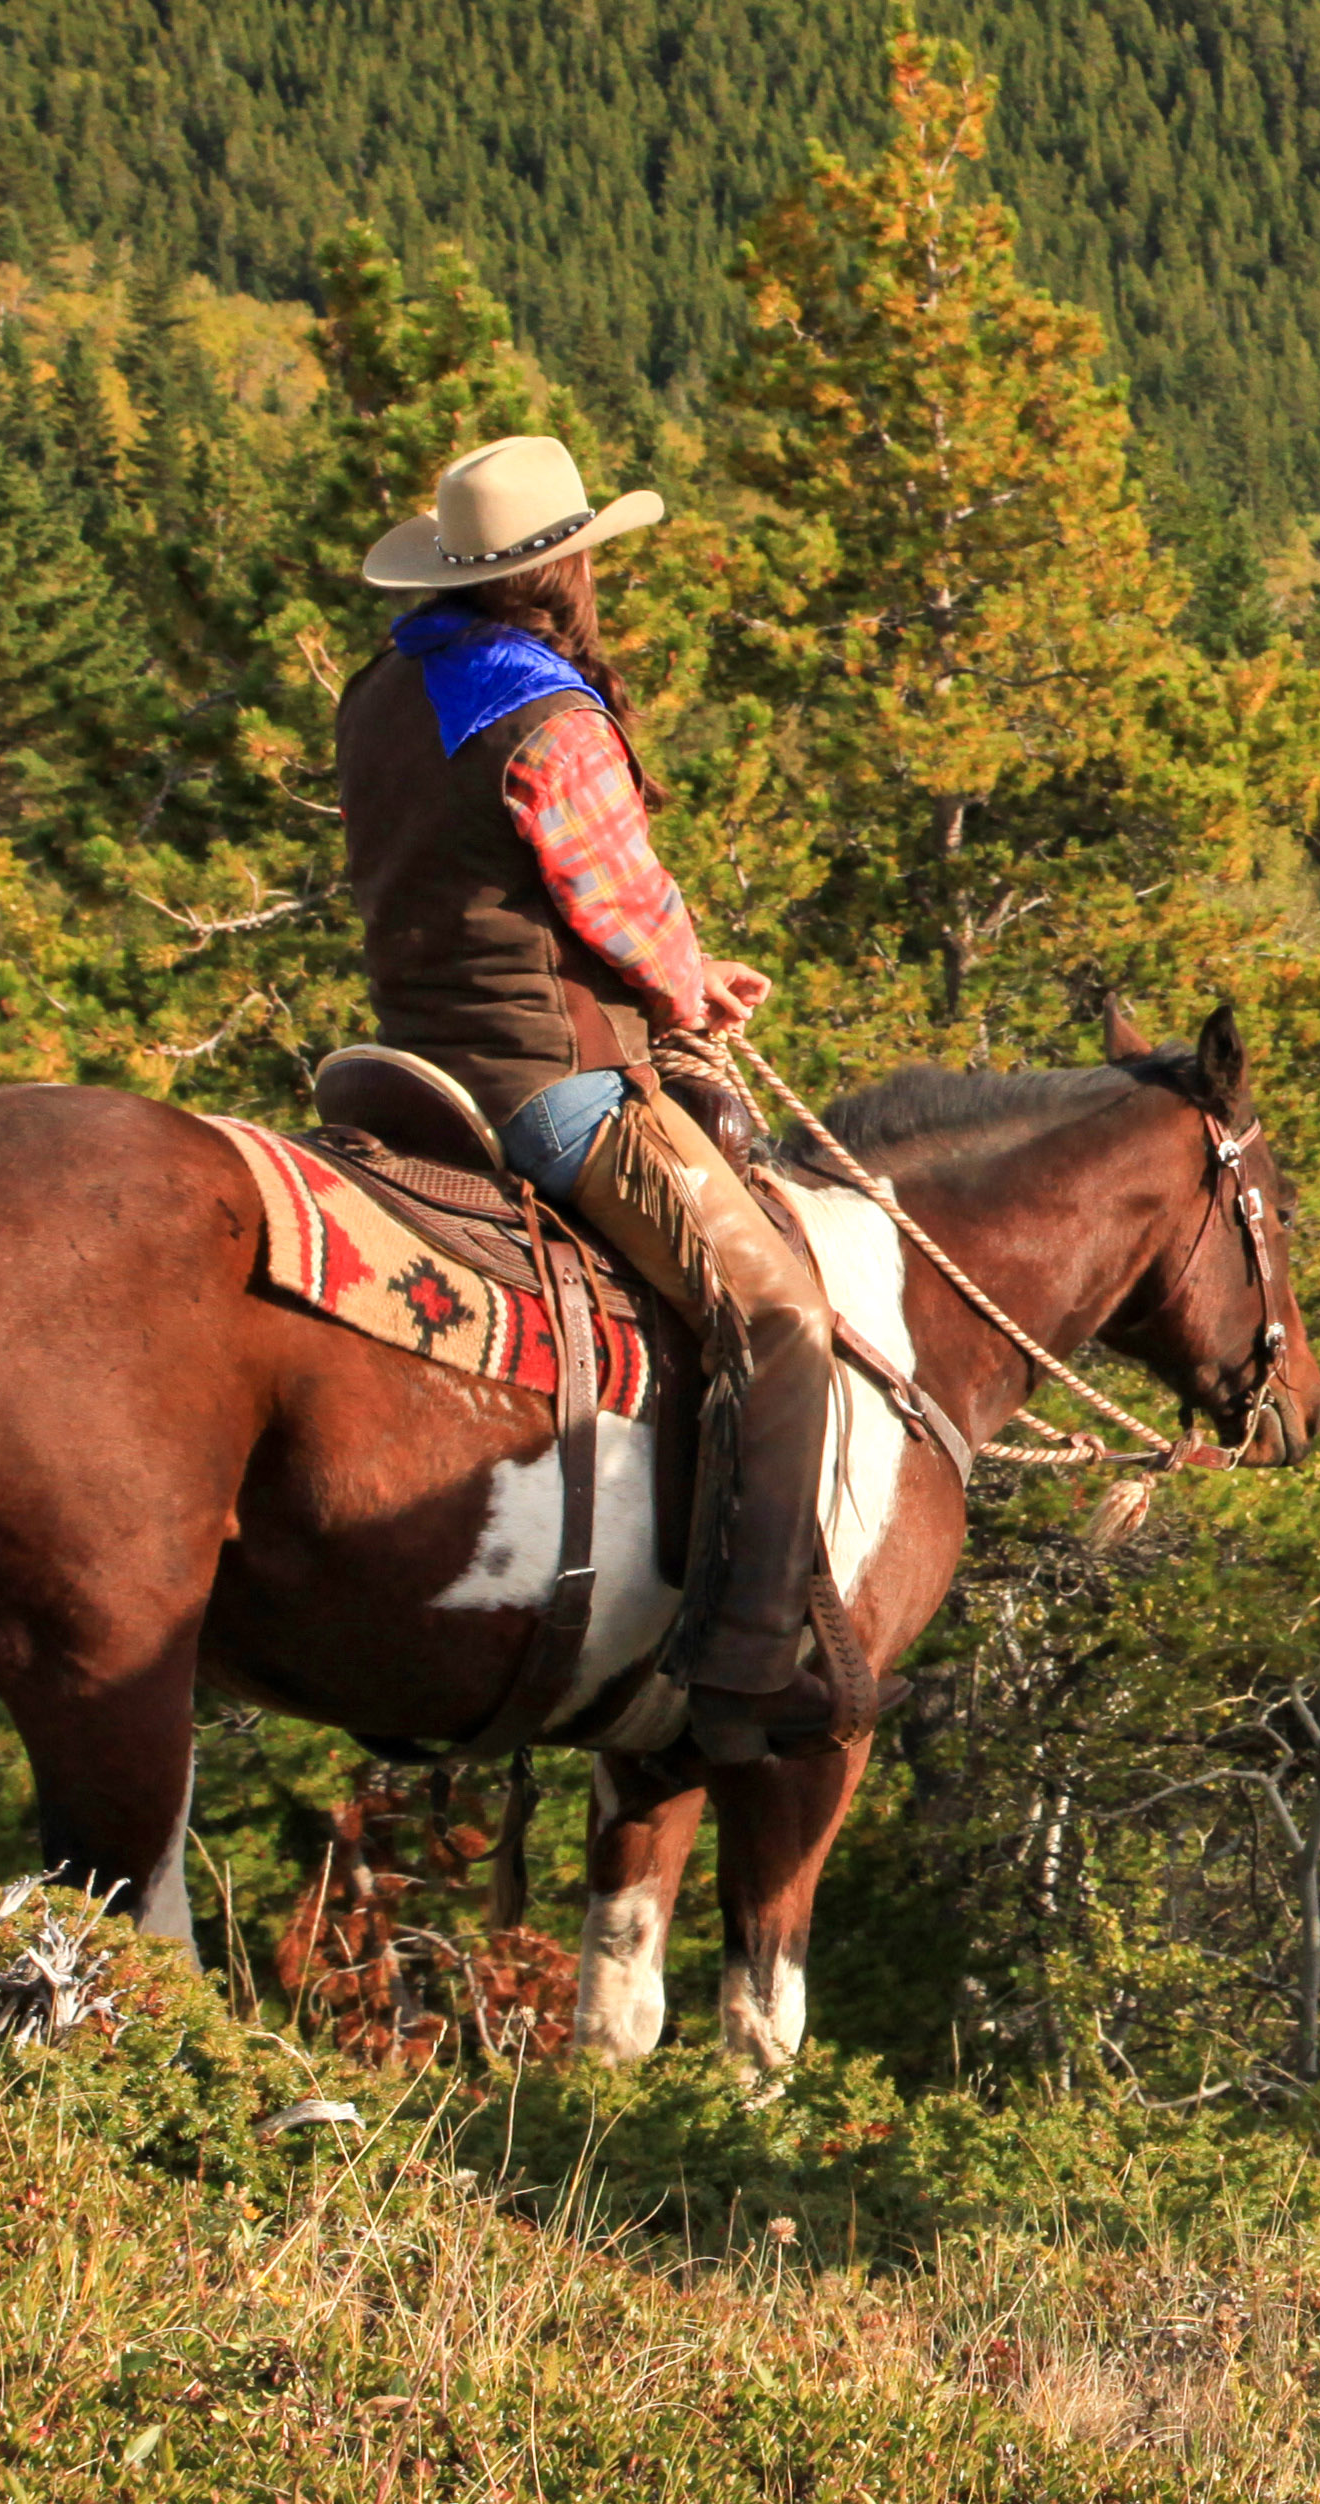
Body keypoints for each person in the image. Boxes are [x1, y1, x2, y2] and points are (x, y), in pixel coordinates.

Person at [337, 433, 869, 1763]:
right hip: (551, 1084)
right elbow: (617, 905)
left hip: (414, 1060)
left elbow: (497, 889)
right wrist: (687, 988)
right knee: (782, 1312)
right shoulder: (548, 716)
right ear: (561, 566)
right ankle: (745, 1666)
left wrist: (681, 968)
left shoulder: (388, 692)